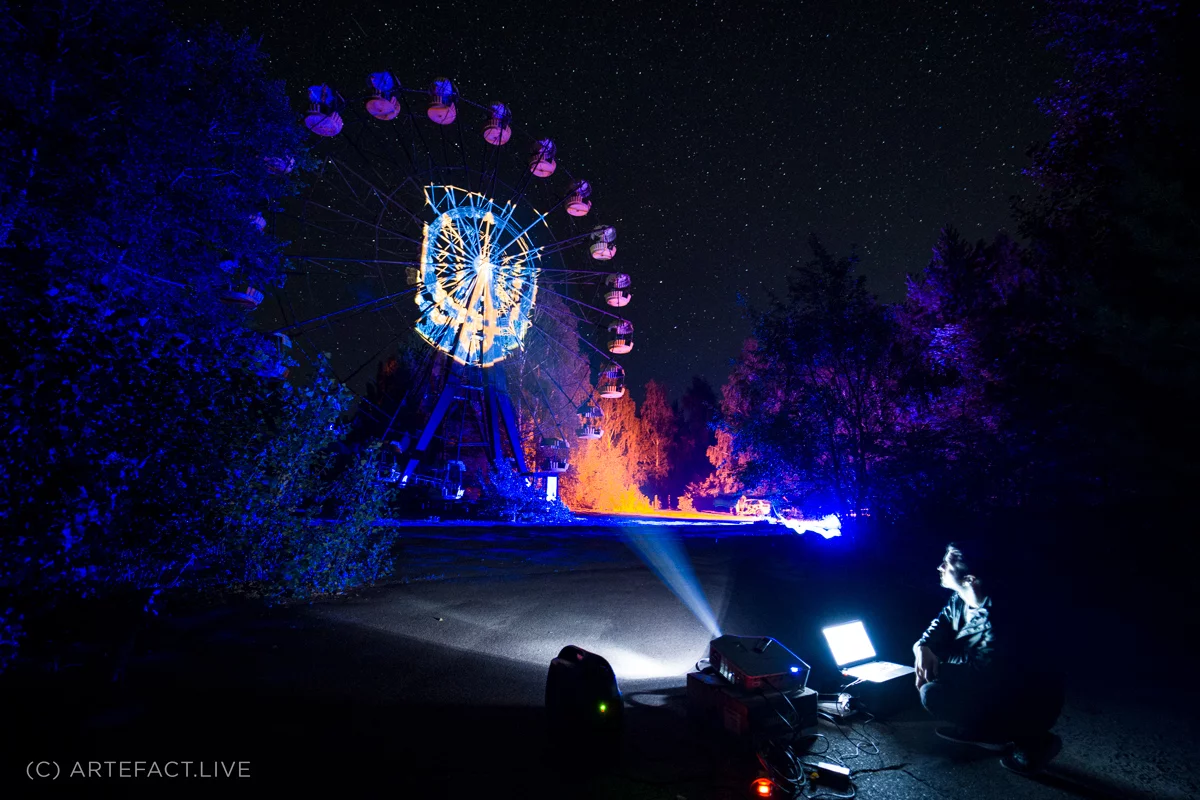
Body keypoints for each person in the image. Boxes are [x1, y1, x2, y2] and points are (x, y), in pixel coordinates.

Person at [913, 541, 1064, 774]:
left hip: (1027, 703)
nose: (939, 566)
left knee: (931, 692)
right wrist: (922, 647)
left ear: (970, 579)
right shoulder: (960, 600)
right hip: (991, 684)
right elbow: (938, 628)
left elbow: (983, 674)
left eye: (947, 563)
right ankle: (982, 728)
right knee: (931, 661)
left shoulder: (1001, 619)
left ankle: (1032, 741)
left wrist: (937, 668)